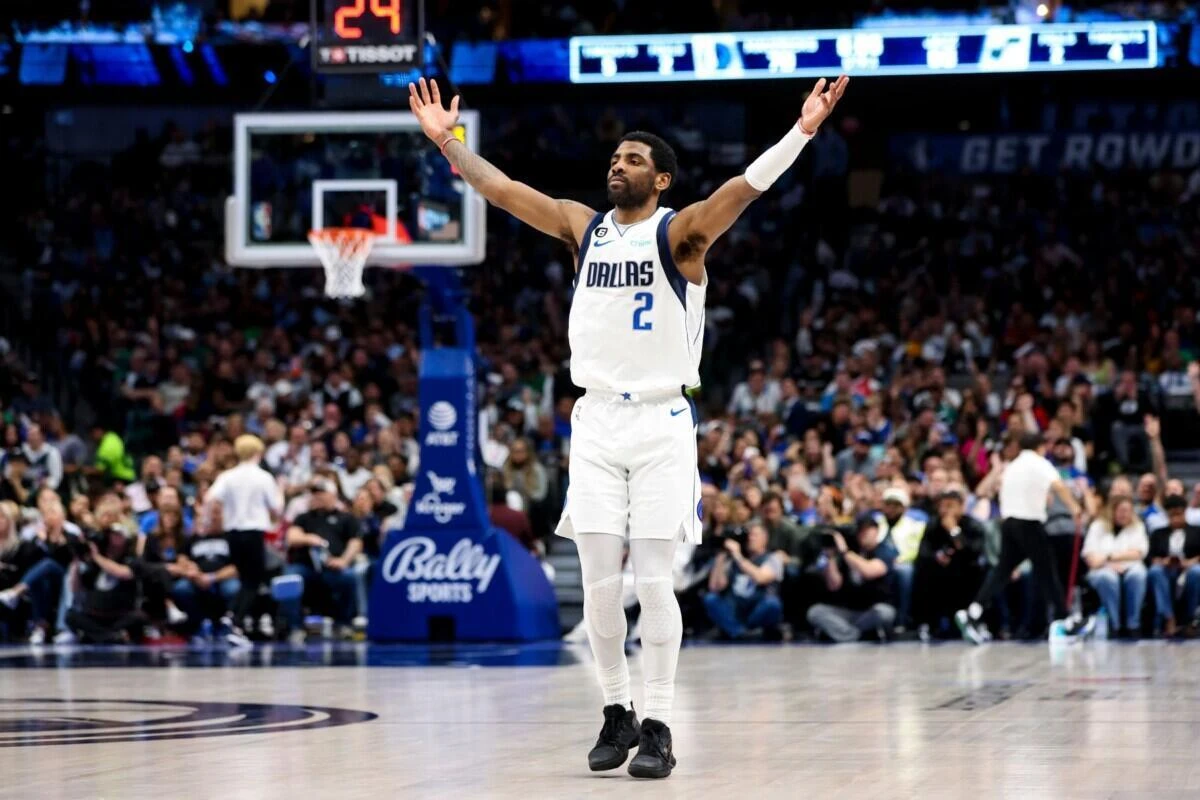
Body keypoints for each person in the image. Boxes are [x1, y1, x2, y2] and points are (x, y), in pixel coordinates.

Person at [410, 72, 848, 779]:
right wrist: (448, 143)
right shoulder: (583, 227)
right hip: (596, 420)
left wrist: (801, 130)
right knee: (599, 587)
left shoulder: (681, 234)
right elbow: (502, 190)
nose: (618, 164)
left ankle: (661, 724)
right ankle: (617, 710)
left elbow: (745, 188)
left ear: (661, 179)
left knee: (653, 582)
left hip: (661, 420)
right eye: (615, 157)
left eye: (634, 159)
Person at [956, 433, 1089, 644]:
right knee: (1047, 570)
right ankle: (1065, 620)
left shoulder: (1012, 466)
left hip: (1009, 523)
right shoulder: (1039, 463)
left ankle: (973, 611)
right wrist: (1074, 507)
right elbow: (1059, 485)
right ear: (1040, 447)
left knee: (1003, 570)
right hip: (1029, 522)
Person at [205, 434, 283, 646]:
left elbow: (210, 498)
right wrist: (281, 492)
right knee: (253, 580)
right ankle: (235, 621)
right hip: (253, 532)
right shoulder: (264, 477)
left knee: (245, 578)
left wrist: (206, 522)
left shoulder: (228, 476)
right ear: (257, 452)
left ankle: (233, 617)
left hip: (232, 534)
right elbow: (277, 508)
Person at [281, 480, 362, 643]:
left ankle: (344, 623)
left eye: (321, 494)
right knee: (289, 578)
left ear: (333, 496)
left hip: (332, 566)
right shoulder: (304, 518)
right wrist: (308, 538)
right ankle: (294, 627)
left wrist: (343, 560)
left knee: (349, 577)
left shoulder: (346, 518)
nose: (316, 497)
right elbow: (292, 537)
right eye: (314, 494)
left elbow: (356, 542)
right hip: (306, 566)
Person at [910, 489, 988, 641]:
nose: (945, 511)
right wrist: (937, 557)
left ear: (961, 507)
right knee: (922, 572)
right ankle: (927, 624)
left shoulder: (973, 525)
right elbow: (923, 553)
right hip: (939, 574)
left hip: (966, 574)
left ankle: (976, 622)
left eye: (950, 506)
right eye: (942, 506)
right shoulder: (933, 525)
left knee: (979, 573)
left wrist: (954, 531)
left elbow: (974, 552)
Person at [806, 515, 899, 643]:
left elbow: (869, 571)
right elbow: (834, 585)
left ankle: (844, 633)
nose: (863, 534)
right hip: (849, 610)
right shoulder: (849, 551)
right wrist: (830, 556)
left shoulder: (884, 550)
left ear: (876, 531)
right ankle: (857, 635)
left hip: (873, 609)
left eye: (867, 530)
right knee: (815, 612)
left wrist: (845, 552)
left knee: (884, 613)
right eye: (860, 530)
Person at [702, 520, 784, 640]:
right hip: (735, 608)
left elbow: (761, 578)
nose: (750, 538)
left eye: (755, 535)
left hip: (757, 609)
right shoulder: (731, 559)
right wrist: (721, 557)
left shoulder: (773, 558)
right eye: (749, 535)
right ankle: (741, 632)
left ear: (765, 538)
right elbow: (715, 587)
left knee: (773, 604)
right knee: (711, 599)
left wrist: (737, 555)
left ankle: (738, 631)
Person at [1082, 494, 1149, 638]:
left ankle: (1133, 624)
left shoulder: (1137, 527)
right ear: (1112, 510)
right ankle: (1114, 625)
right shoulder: (1097, 526)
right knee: (1107, 578)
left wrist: (1109, 556)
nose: (1124, 514)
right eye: (1121, 510)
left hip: (1130, 567)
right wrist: (1108, 562)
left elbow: (1138, 553)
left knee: (1137, 575)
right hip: (1102, 568)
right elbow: (1091, 558)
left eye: (1128, 511)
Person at [1146, 494, 1200, 637]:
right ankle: (1169, 617)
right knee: (1155, 572)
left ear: (1185, 512)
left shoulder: (1196, 531)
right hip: (1166, 571)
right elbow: (1150, 557)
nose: (1176, 519)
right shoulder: (1158, 534)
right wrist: (1163, 561)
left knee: (1196, 572)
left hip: (1189, 569)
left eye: (1179, 514)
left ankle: (1189, 619)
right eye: (1172, 515)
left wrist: (1190, 562)